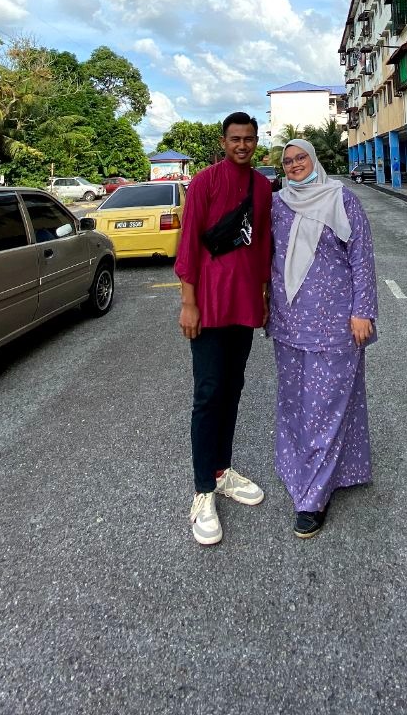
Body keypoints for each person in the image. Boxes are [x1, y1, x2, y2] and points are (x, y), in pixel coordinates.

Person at [267, 138, 377, 539]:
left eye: (302, 158)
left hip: (335, 324)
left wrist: (363, 311)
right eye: (288, 160)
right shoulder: (277, 204)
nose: (295, 164)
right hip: (288, 321)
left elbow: (361, 258)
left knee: (325, 406)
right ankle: (305, 469)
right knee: (294, 402)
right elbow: (266, 257)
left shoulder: (341, 199)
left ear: (314, 160)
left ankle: (312, 498)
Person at [175, 112, 273, 546]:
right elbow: (188, 244)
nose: (243, 145)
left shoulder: (262, 188)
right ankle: (203, 491)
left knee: (233, 388)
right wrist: (188, 303)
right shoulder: (204, 183)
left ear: (256, 141)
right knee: (208, 393)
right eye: (235, 139)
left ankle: (222, 470)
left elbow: (263, 244)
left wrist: (265, 296)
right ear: (223, 141)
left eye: (249, 139)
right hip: (210, 305)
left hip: (244, 304)